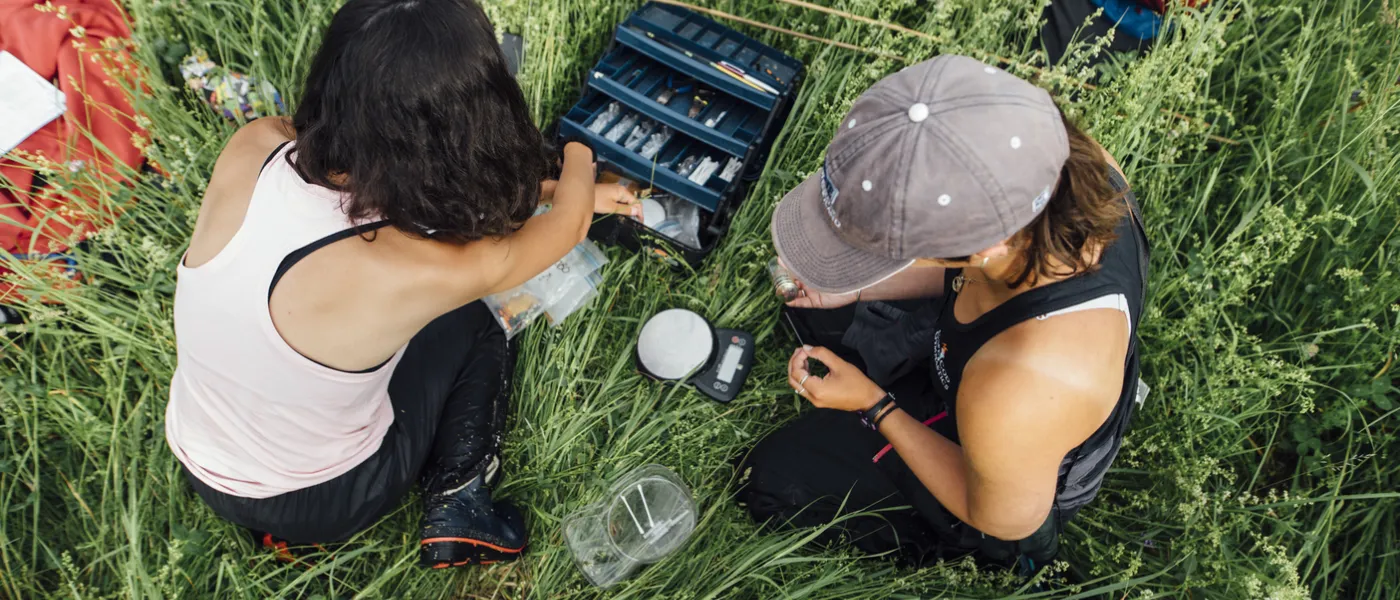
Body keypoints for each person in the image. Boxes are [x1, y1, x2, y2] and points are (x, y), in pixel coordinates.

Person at [164, 0, 635, 568]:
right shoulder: (424, 268)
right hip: (323, 498)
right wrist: (580, 157)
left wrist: (549, 189)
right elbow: (569, 227)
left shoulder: (256, 144)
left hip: (200, 453)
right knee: (479, 320)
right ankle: (460, 500)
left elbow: (394, 188)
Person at [737, 55, 1150, 572]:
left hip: (995, 477)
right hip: (973, 356)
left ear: (982, 247)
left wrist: (874, 405)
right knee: (817, 312)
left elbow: (1003, 519)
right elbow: (968, 270)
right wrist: (856, 288)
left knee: (769, 480)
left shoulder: (1024, 384)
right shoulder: (1053, 164)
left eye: (878, 248)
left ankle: (934, 542)